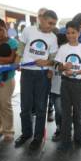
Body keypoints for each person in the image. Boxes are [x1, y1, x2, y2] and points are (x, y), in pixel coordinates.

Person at [14, 10, 58, 150]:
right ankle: (26, 133)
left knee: (41, 107)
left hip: (43, 75)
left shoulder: (52, 37)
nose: (52, 26)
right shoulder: (28, 30)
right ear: (42, 20)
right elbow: (20, 47)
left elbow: (53, 57)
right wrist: (17, 61)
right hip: (27, 73)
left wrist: (50, 68)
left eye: (54, 24)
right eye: (50, 23)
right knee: (25, 106)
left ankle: (38, 137)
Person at [55, 21, 81, 150]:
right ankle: (65, 140)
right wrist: (64, 67)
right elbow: (58, 67)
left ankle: (78, 137)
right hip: (65, 83)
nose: (71, 35)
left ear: (79, 33)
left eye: (74, 32)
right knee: (66, 113)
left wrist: (77, 72)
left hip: (78, 84)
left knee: (77, 112)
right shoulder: (63, 48)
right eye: (68, 33)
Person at [50, 34, 67, 142]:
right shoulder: (51, 54)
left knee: (67, 111)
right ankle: (60, 129)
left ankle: (67, 128)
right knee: (59, 111)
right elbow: (49, 68)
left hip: (68, 88)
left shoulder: (70, 53)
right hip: (55, 89)